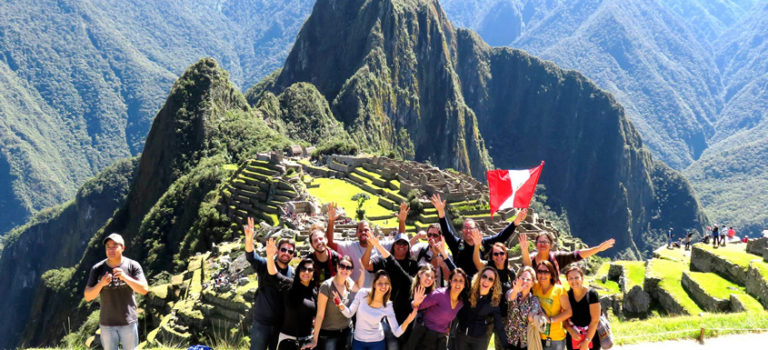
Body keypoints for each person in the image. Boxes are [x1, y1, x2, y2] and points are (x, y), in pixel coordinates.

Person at [430, 193, 527, 276]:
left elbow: (501, 237)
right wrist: (441, 212)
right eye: (465, 228)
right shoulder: (457, 244)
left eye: (471, 228)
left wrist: (516, 222)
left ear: (476, 230)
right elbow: (446, 232)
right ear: (462, 231)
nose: (468, 231)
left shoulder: (483, 244)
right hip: (461, 286)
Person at [327, 202, 418, 287]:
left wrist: (402, 221)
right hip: (356, 294)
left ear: (372, 232)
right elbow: (330, 243)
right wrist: (331, 221)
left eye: (366, 230)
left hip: (377, 295)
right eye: (360, 231)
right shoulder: (349, 246)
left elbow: (400, 240)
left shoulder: (381, 246)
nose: (363, 233)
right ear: (356, 234)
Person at [84, 233, 149, 350]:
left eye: (114, 246)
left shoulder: (132, 265)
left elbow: (144, 289)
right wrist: (101, 284)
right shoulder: (97, 268)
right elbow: (88, 296)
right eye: (108, 247)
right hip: (107, 323)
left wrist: (125, 277)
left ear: (123, 248)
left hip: (128, 321)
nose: (111, 249)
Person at [244, 217, 296, 350]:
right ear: (277, 251)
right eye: (283, 249)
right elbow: (250, 255)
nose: (286, 253)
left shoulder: (293, 274)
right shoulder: (264, 265)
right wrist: (249, 238)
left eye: (290, 251)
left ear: (293, 255)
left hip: (280, 326)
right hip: (261, 323)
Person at [336, 271, 423, 350]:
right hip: (358, 341)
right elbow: (349, 313)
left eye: (386, 283)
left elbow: (396, 332)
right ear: (374, 284)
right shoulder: (363, 293)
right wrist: (340, 304)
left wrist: (408, 321)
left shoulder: (388, 305)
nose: (383, 286)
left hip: (377, 343)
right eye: (380, 283)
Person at [363, 228, 420, 348]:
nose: (401, 246)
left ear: (408, 247)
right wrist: (369, 247)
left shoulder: (413, 264)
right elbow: (366, 265)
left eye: (405, 243)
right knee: (392, 344)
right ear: (393, 245)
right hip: (385, 312)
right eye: (398, 243)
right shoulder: (382, 260)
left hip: (406, 312)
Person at [264, 238, 317, 350]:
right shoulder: (289, 285)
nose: (306, 272)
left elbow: (318, 316)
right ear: (298, 271)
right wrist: (269, 256)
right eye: (303, 268)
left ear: (313, 274)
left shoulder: (315, 292)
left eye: (310, 270)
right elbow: (274, 274)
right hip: (287, 341)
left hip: (306, 341)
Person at [307, 255, 364, 350]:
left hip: (346, 332)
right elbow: (320, 314)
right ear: (337, 267)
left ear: (351, 271)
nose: (344, 270)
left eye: (348, 267)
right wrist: (315, 339)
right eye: (342, 266)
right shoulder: (327, 286)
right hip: (329, 334)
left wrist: (362, 272)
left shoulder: (348, 282)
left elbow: (358, 287)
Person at [403, 268, 468, 350]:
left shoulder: (460, 303)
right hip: (425, 336)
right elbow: (417, 306)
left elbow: (449, 319)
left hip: (441, 339)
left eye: (461, 281)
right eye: (455, 280)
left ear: (464, 284)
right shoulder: (439, 294)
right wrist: (415, 302)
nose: (458, 283)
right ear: (450, 282)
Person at [470, 234, 515, 350]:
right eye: (495, 254)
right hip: (487, 315)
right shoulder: (488, 268)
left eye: (501, 253)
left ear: (506, 255)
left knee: (501, 347)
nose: (499, 256)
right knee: (480, 345)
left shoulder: (511, 274)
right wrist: (476, 246)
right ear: (492, 256)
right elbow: (476, 261)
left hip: (503, 317)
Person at [520, 231, 614, 283]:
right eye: (540, 242)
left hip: (554, 297)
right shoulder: (531, 258)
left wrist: (598, 249)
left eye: (546, 242)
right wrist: (524, 250)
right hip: (535, 298)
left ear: (551, 245)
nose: (543, 244)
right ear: (536, 244)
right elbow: (527, 267)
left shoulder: (556, 258)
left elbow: (576, 255)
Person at [453, 266, 508, 350]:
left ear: (493, 284)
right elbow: (456, 271)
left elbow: (499, 326)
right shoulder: (469, 289)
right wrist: (444, 254)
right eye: (484, 276)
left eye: (490, 279)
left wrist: (507, 345)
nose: (486, 281)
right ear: (479, 277)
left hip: (479, 340)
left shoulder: (493, 302)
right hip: (462, 335)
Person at [533, 261, 572, 350]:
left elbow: (569, 312)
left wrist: (551, 320)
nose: (542, 275)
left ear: (551, 274)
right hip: (537, 336)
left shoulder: (559, 289)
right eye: (539, 271)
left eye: (546, 272)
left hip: (554, 338)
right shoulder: (535, 287)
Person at [504, 266, 542, 350]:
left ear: (532, 283)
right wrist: (516, 290)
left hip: (525, 343)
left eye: (528, 279)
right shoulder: (511, 292)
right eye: (522, 278)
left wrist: (533, 316)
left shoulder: (534, 300)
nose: (525, 281)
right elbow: (510, 297)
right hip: (510, 340)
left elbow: (533, 315)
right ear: (517, 279)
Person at [563, 266, 601, 350]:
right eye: (570, 278)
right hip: (573, 339)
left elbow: (595, 320)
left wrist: (586, 342)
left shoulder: (591, 295)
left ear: (582, 278)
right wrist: (571, 331)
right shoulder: (566, 296)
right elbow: (563, 320)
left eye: (576, 277)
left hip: (591, 338)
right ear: (567, 281)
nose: (574, 281)